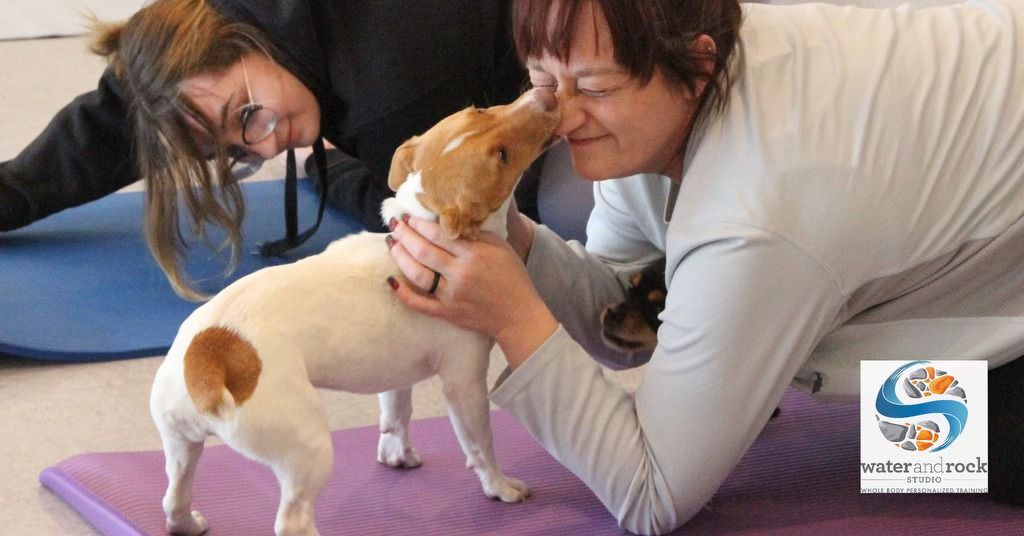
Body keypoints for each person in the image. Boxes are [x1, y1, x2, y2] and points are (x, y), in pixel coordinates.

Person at [385, 0, 1024, 533]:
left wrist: (513, 317)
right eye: (543, 80)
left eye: (595, 88)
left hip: (978, 248)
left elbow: (651, 496)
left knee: (908, 434)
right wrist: (514, 242)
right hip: (962, 152)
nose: (557, 117)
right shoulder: (671, 66)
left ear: (697, 66)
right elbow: (631, 319)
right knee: (799, 378)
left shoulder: (761, 204)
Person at [0, 0, 529, 299]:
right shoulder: (245, 17)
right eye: (233, 150)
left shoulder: (388, 95)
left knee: (551, 226)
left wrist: (334, 175)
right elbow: (129, 108)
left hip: (577, 76)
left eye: (246, 117)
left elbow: (426, 225)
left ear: (244, 42)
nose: (268, 143)